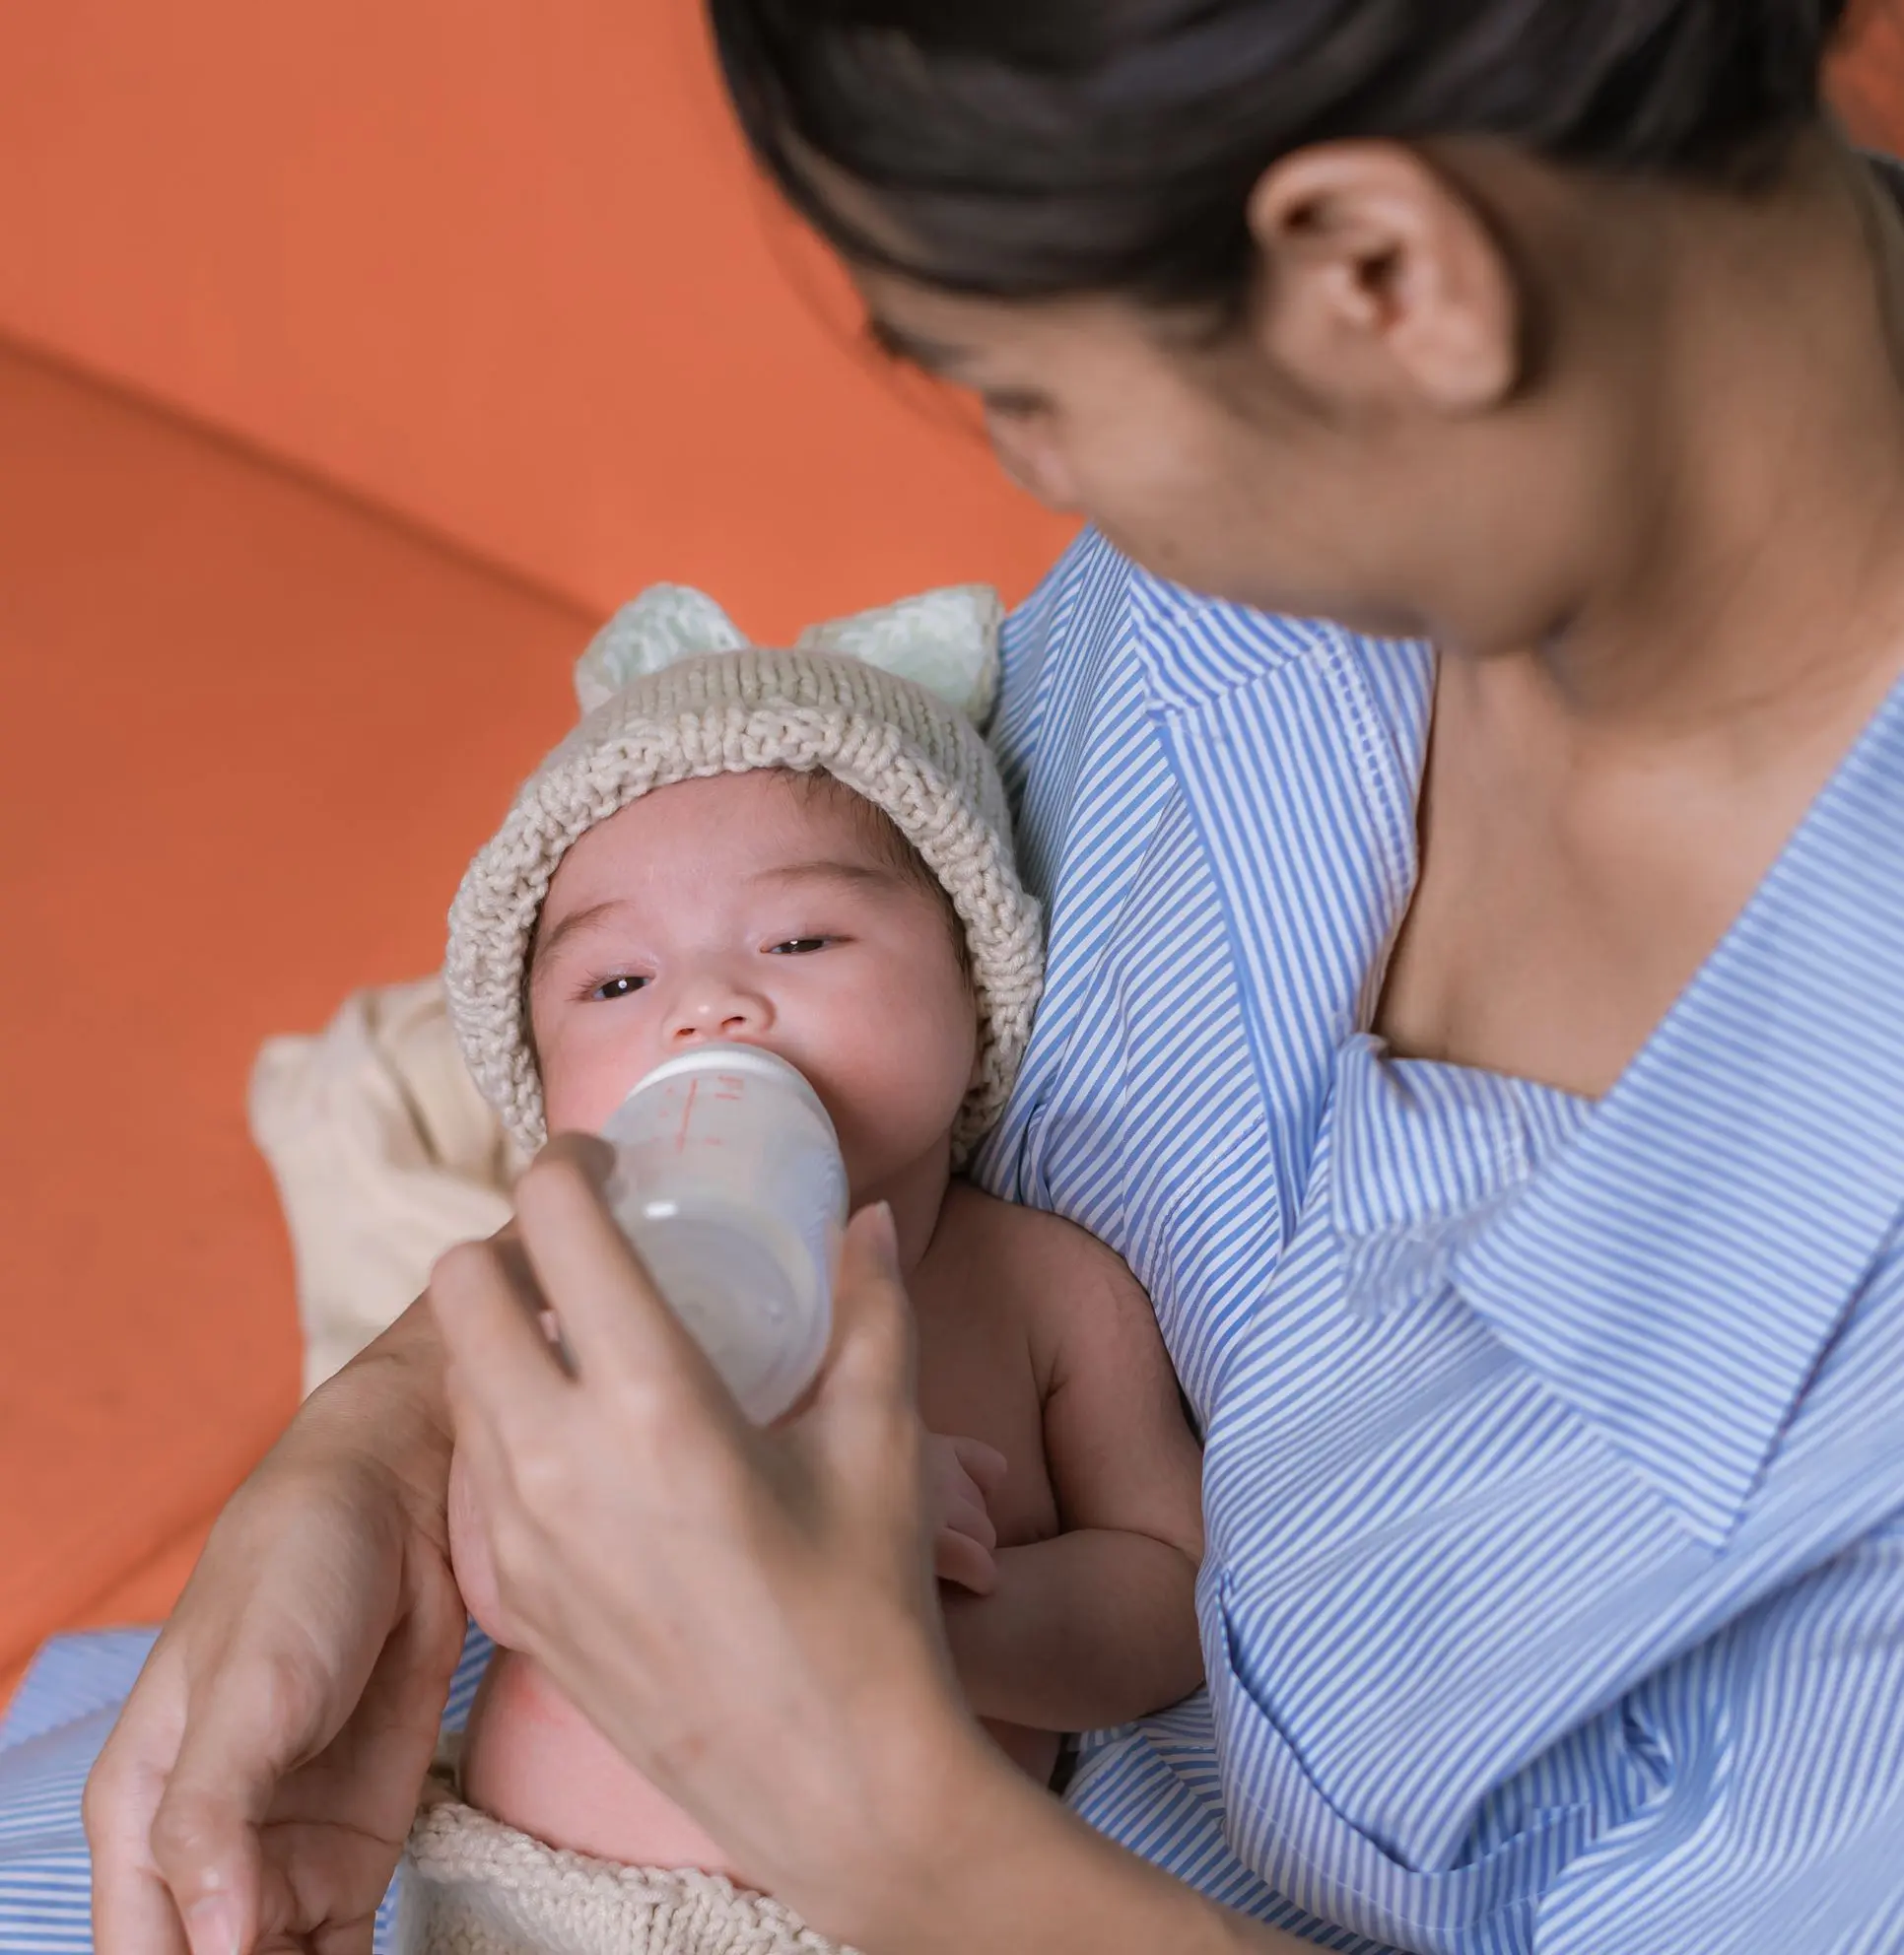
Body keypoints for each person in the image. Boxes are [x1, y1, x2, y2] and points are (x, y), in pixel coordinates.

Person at [79, 0, 1904, 1949]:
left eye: (1018, 392)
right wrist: (384, 1434)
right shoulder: (1269, 587)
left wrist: (891, 1825)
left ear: (1385, 273)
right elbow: (807, 1071)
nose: (1046, 484)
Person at [409, 580, 1203, 1953]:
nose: (709, 1006)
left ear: (976, 989)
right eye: (616, 985)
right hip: (536, 1908)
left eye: (802, 941)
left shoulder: (1047, 1290)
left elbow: (1172, 1594)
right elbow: (495, 1563)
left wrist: (922, 1624)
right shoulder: (575, 1287)